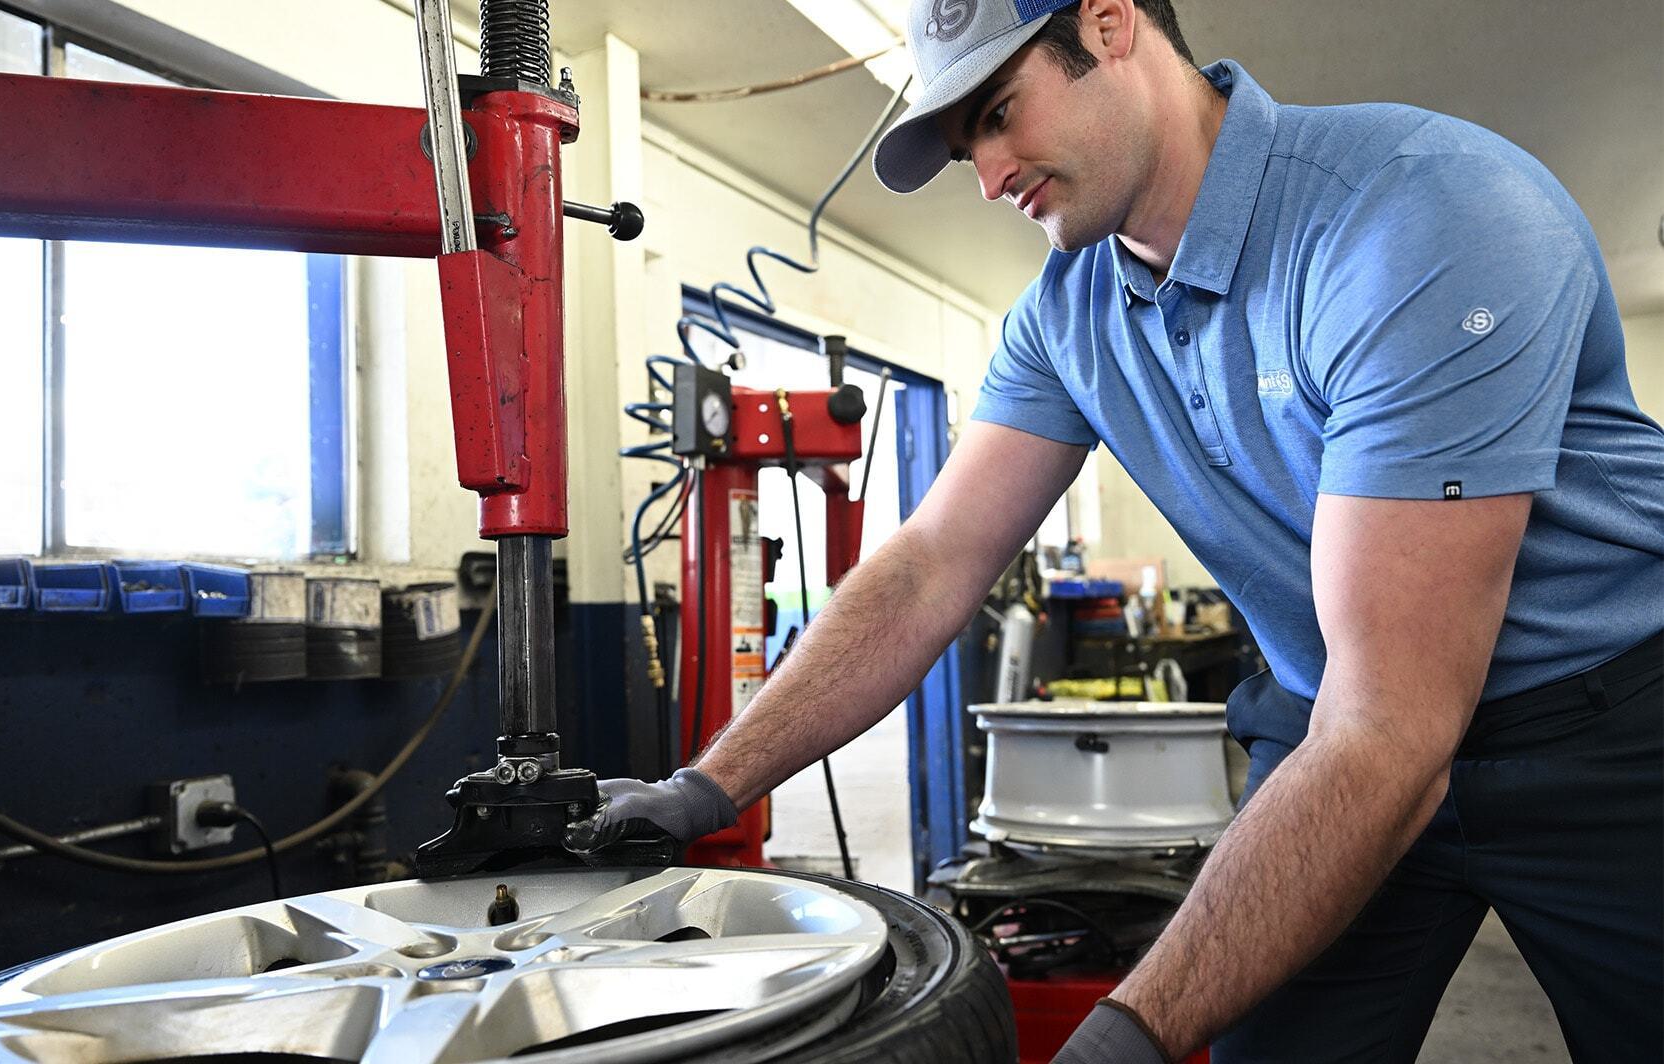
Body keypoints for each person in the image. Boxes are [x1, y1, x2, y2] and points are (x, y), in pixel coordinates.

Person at [566, 1, 1664, 1060]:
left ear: (1107, 22)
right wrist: (706, 787)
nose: (988, 178)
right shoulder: (1066, 316)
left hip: (1608, 734)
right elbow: (932, 563)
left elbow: (1392, 728)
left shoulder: (1417, 214)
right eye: (966, 147)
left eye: (999, 114)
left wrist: (1123, 1033)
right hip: (1332, 723)